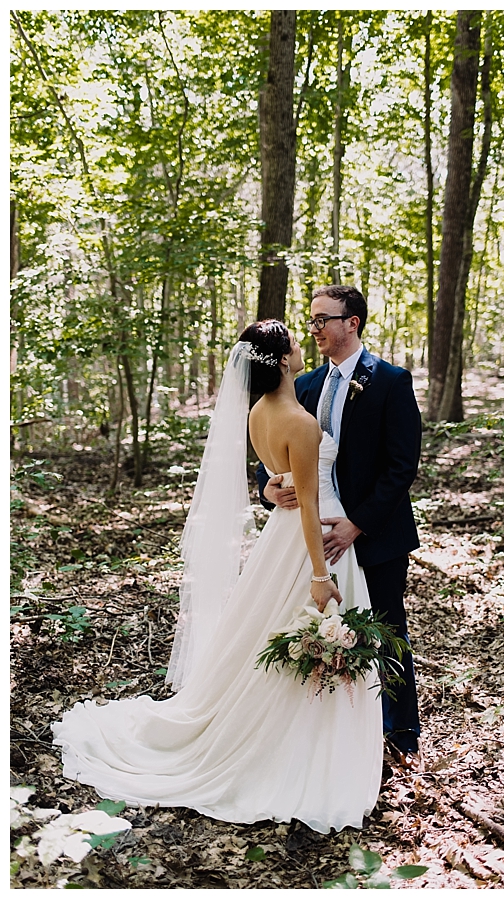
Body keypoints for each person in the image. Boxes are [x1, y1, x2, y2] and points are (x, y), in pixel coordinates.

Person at [53, 322, 382, 832]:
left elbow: (276, 478)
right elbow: (310, 503)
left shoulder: (257, 414)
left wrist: (275, 488)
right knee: (306, 636)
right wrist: (320, 574)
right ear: (278, 360)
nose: (301, 347)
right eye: (293, 343)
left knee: (268, 638)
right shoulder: (299, 421)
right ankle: (300, 750)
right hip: (308, 543)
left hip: (279, 537)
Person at [259, 285, 423, 767]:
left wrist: (357, 525)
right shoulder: (304, 386)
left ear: (352, 322)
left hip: (374, 535)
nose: (314, 330)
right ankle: (331, 736)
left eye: (322, 320)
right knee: (321, 631)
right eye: (309, 321)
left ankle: (400, 732)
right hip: (311, 539)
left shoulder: (391, 381)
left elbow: (401, 465)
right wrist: (267, 489)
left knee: (386, 629)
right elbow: (274, 461)